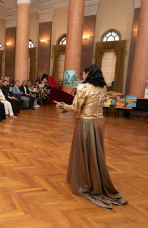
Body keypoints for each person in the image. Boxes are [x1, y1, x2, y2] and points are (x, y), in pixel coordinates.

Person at [54, 64, 127, 209]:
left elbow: (75, 108)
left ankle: (83, 181)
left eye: (83, 72)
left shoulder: (83, 87)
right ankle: (96, 178)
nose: (82, 74)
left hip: (85, 123)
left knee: (83, 152)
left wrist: (61, 105)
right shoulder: (103, 88)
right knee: (95, 152)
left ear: (88, 74)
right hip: (99, 123)